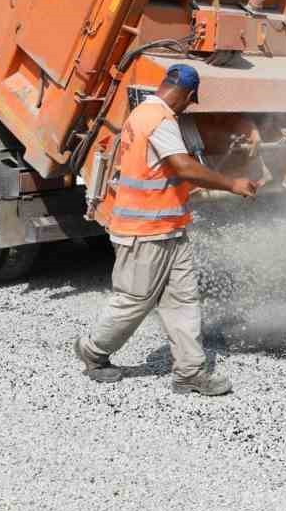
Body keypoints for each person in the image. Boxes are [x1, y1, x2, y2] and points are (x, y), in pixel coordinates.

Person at [76, 63, 259, 396]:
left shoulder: (148, 114)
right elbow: (183, 166)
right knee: (134, 301)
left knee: (183, 300)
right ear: (188, 95)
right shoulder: (157, 119)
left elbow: (164, 173)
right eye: (191, 101)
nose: (189, 106)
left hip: (170, 227)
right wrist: (232, 183)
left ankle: (190, 373)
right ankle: (92, 351)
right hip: (143, 230)